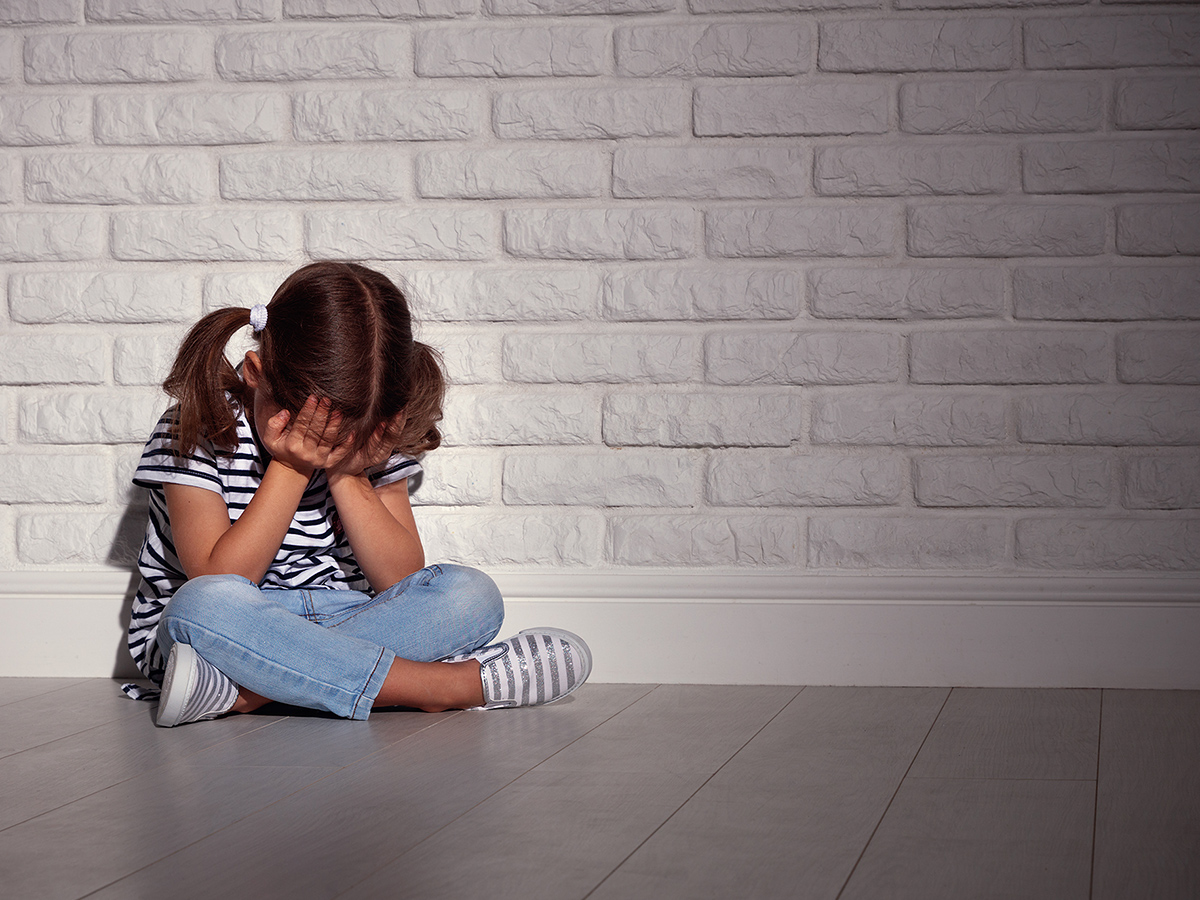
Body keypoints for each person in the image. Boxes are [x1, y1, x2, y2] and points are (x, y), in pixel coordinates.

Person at [125, 261, 591, 727]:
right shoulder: (200, 425)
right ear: (254, 372)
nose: (327, 447)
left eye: (344, 438)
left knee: (471, 595)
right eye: (321, 436)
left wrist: (350, 472)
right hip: (233, 628)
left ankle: (248, 691)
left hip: (347, 617)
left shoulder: (370, 436)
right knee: (201, 604)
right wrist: (292, 467)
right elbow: (218, 575)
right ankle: (444, 686)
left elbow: (400, 577)